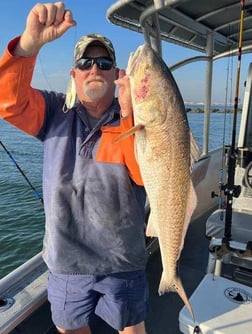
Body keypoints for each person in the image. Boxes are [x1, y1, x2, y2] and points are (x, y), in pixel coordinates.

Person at [0, 2, 150, 334]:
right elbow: (8, 102)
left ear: (116, 75)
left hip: (123, 261)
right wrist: (28, 45)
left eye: (104, 62)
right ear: (74, 74)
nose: (94, 68)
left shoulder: (136, 120)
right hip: (67, 263)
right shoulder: (54, 111)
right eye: (85, 62)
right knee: (70, 329)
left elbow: (144, 174)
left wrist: (129, 115)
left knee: (132, 329)